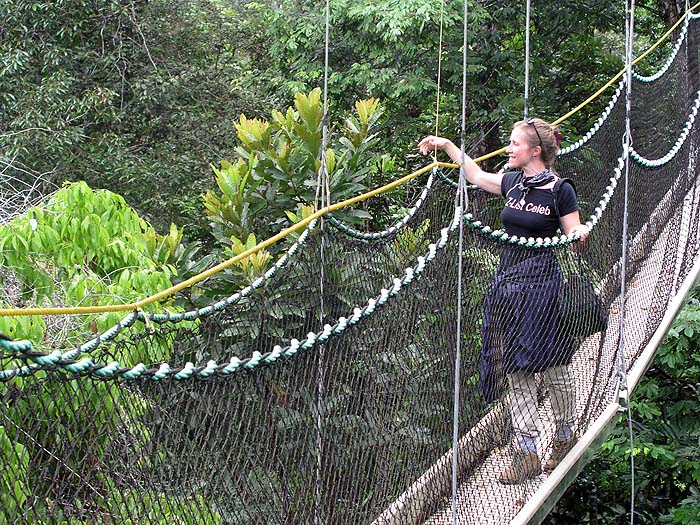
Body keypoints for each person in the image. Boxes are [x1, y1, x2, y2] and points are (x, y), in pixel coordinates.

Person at [418, 118, 590, 484]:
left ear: (535, 151)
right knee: (516, 368)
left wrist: (579, 231)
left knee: (553, 366)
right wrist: (448, 146)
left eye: (514, 144)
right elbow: (476, 176)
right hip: (508, 287)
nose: (509, 149)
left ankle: (563, 436)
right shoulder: (512, 182)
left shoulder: (560, 190)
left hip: (542, 288)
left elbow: (574, 231)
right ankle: (526, 453)